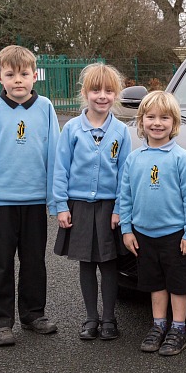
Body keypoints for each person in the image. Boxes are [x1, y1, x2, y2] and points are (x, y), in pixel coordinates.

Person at [0, 45, 60, 346]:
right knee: (0, 264)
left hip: (35, 200)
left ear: (35, 75)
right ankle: (0, 322)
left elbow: (55, 156)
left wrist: (55, 200)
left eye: (24, 74)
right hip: (1, 202)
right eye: (10, 75)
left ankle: (33, 314)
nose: (18, 80)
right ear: (0, 78)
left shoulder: (46, 107)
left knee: (34, 261)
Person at [53, 63, 130, 341]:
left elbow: (125, 174)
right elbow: (60, 169)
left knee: (109, 264)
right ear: (85, 93)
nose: (102, 96)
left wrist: (121, 209)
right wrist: (61, 206)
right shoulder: (72, 129)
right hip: (80, 207)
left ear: (116, 95)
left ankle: (109, 319)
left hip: (110, 209)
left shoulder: (121, 132)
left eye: (109, 91)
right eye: (96, 90)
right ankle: (90, 318)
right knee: (86, 263)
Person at [119, 90, 186, 356]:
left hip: (175, 236)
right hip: (143, 235)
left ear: (174, 123)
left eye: (164, 118)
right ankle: (158, 325)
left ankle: (178, 328)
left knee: (177, 284)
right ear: (141, 121)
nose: (157, 123)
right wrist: (127, 229)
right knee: (155, 284)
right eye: (151, 117)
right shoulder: (134, 158)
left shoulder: (181, 158)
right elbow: (125, 196)